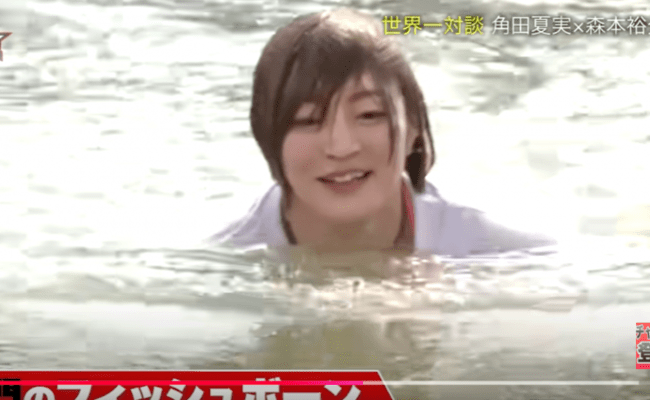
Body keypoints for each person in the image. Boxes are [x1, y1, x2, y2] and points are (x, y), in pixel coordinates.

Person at [211, 8, 555, 257]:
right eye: (308, 120)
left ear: (413, 127)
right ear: (267, 136)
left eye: (369, 115)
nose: (341, 147)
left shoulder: (503, 254)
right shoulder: (226, 259)